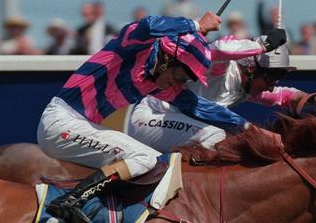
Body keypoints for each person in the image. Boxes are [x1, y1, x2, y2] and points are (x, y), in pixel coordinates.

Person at [37, 12, 285, 223]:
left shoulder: (155, 82)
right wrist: (195, 25)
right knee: (144, 158)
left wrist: (248, 128)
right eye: (180, 76)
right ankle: (71, 201)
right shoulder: (132, 45)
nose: (179, 85)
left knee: (150, 162)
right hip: (62, 121)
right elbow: (149, 24)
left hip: (79, 125)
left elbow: (198, 106)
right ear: (168, 60)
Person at [128, 30, 303, 153]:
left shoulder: (250, 89)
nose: (271, 86)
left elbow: (285, 96)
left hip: (170, 129)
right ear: (251, 69)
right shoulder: (220, 68)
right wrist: (263, 47)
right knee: (217, 136)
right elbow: (218, 48)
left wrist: (310, 98)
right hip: (150, 118)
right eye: (271, 77)